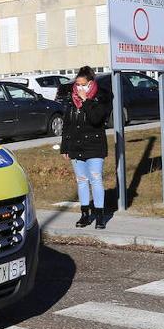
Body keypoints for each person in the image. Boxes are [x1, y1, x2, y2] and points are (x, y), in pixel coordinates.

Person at [60, 66, 112, 229]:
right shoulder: (71, 97)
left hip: (95, 145)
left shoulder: (101, 97)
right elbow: (67, 124)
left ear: (90, 83)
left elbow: (97, 119)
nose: (79, 88)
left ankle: (100, 215)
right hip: (76, 145)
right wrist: (65, 147)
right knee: (81, 181)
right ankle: (84, 214)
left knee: (95, 179)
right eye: (77, 84)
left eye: (83, 84)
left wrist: (87, 101)